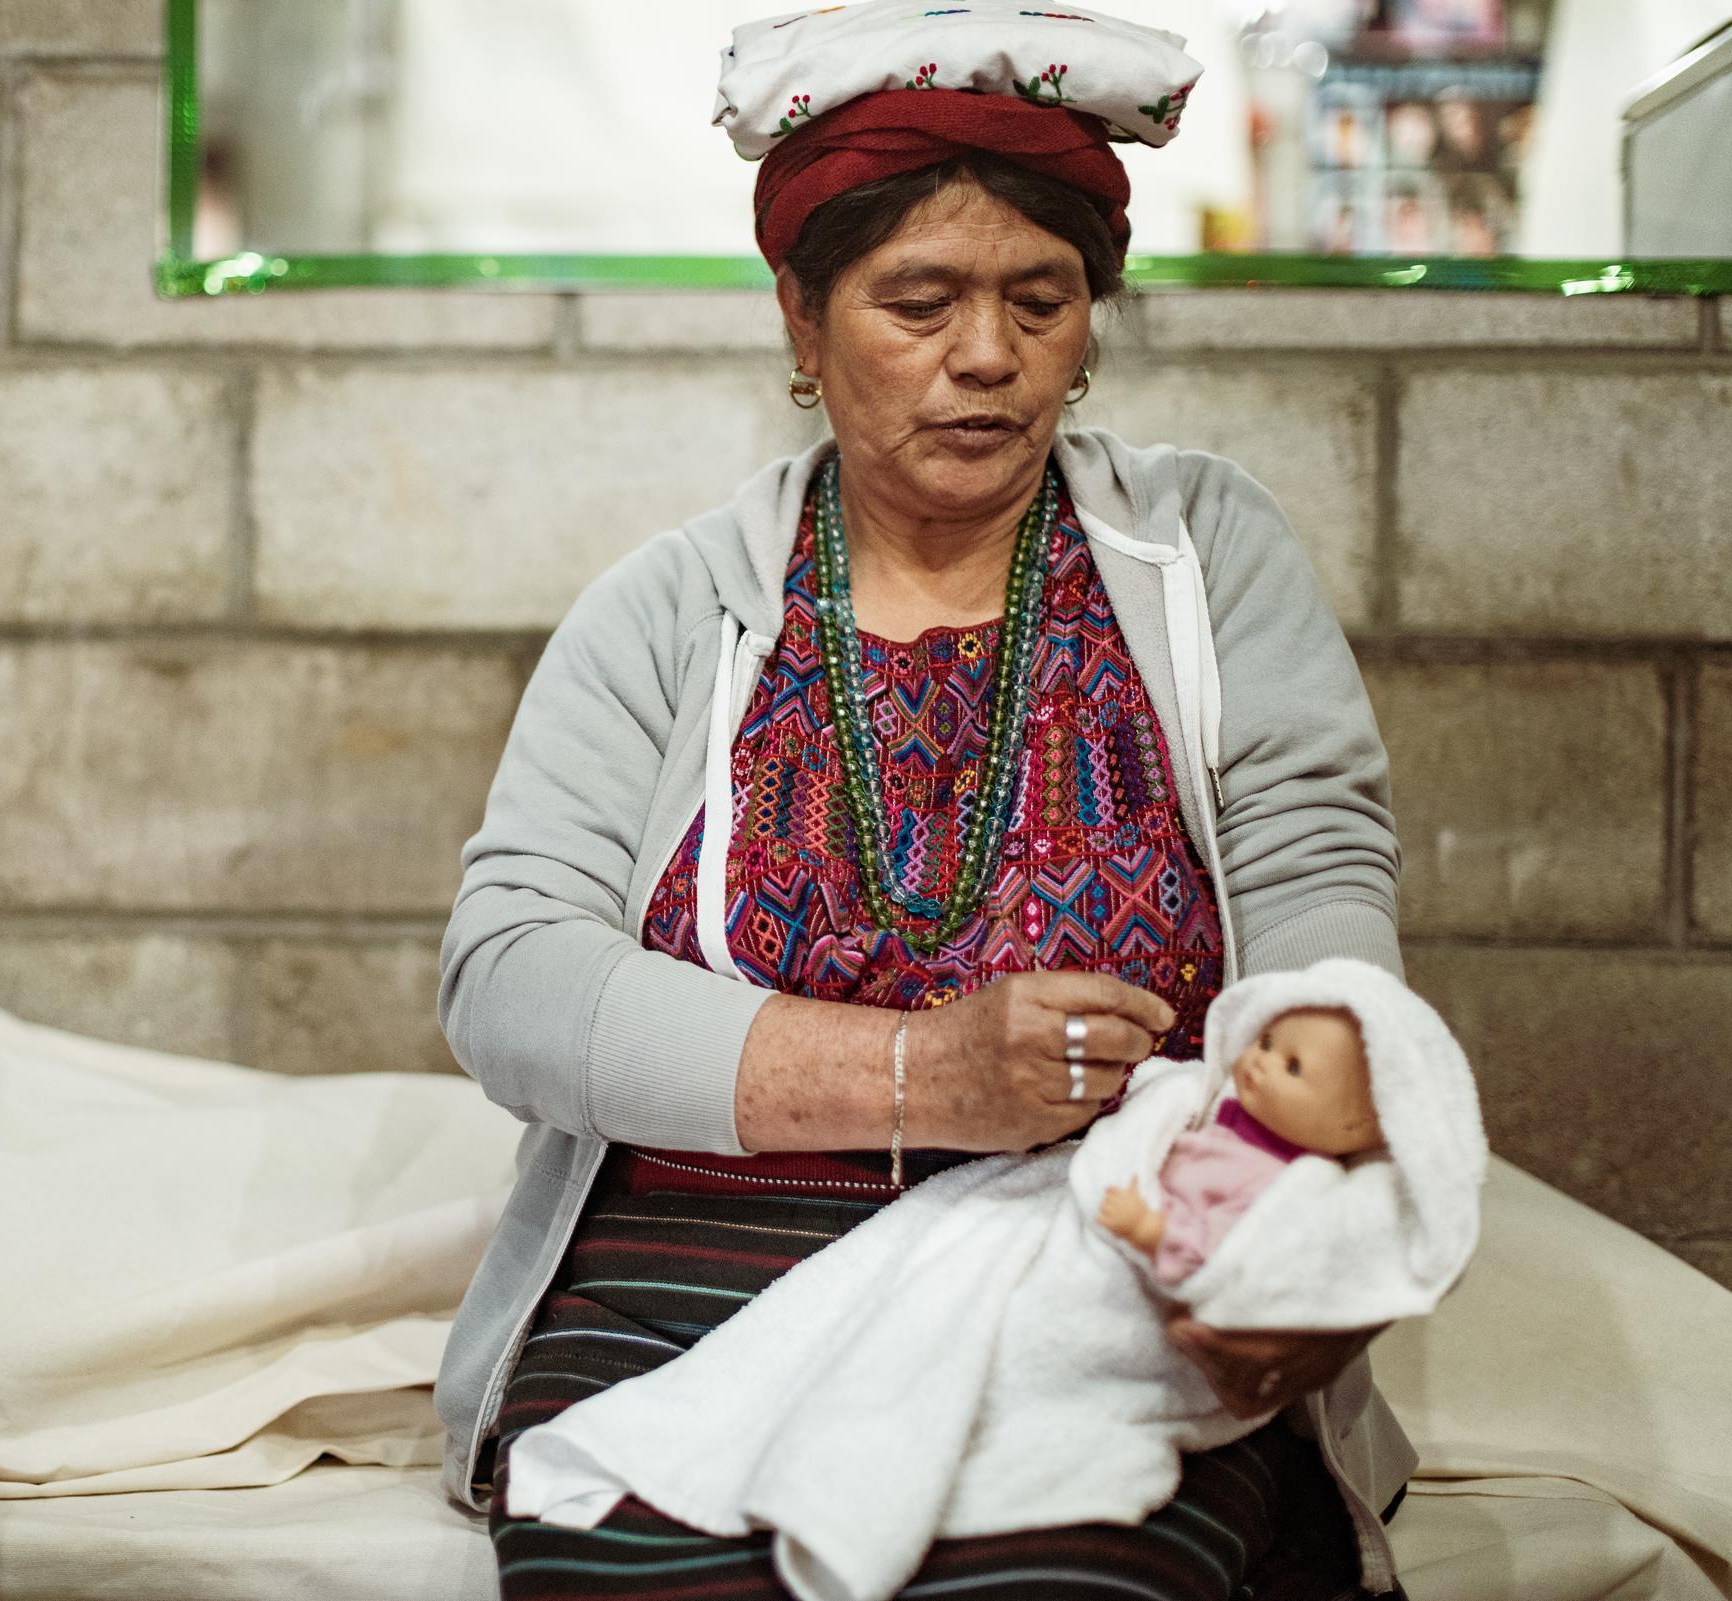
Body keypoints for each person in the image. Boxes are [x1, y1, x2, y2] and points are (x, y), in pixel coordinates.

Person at [435, 5, 1411, 1596]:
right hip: (692, 1283)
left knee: (1068, 1576)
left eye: (1043, 298)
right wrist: (914, 1074)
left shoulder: (1201, 559)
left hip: (1091, 1266)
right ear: (801, 323)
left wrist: (1309, 1216)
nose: (987, 354)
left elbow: (1320, 890)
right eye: (920, 300)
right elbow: (511, 979)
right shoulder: (674, 607)